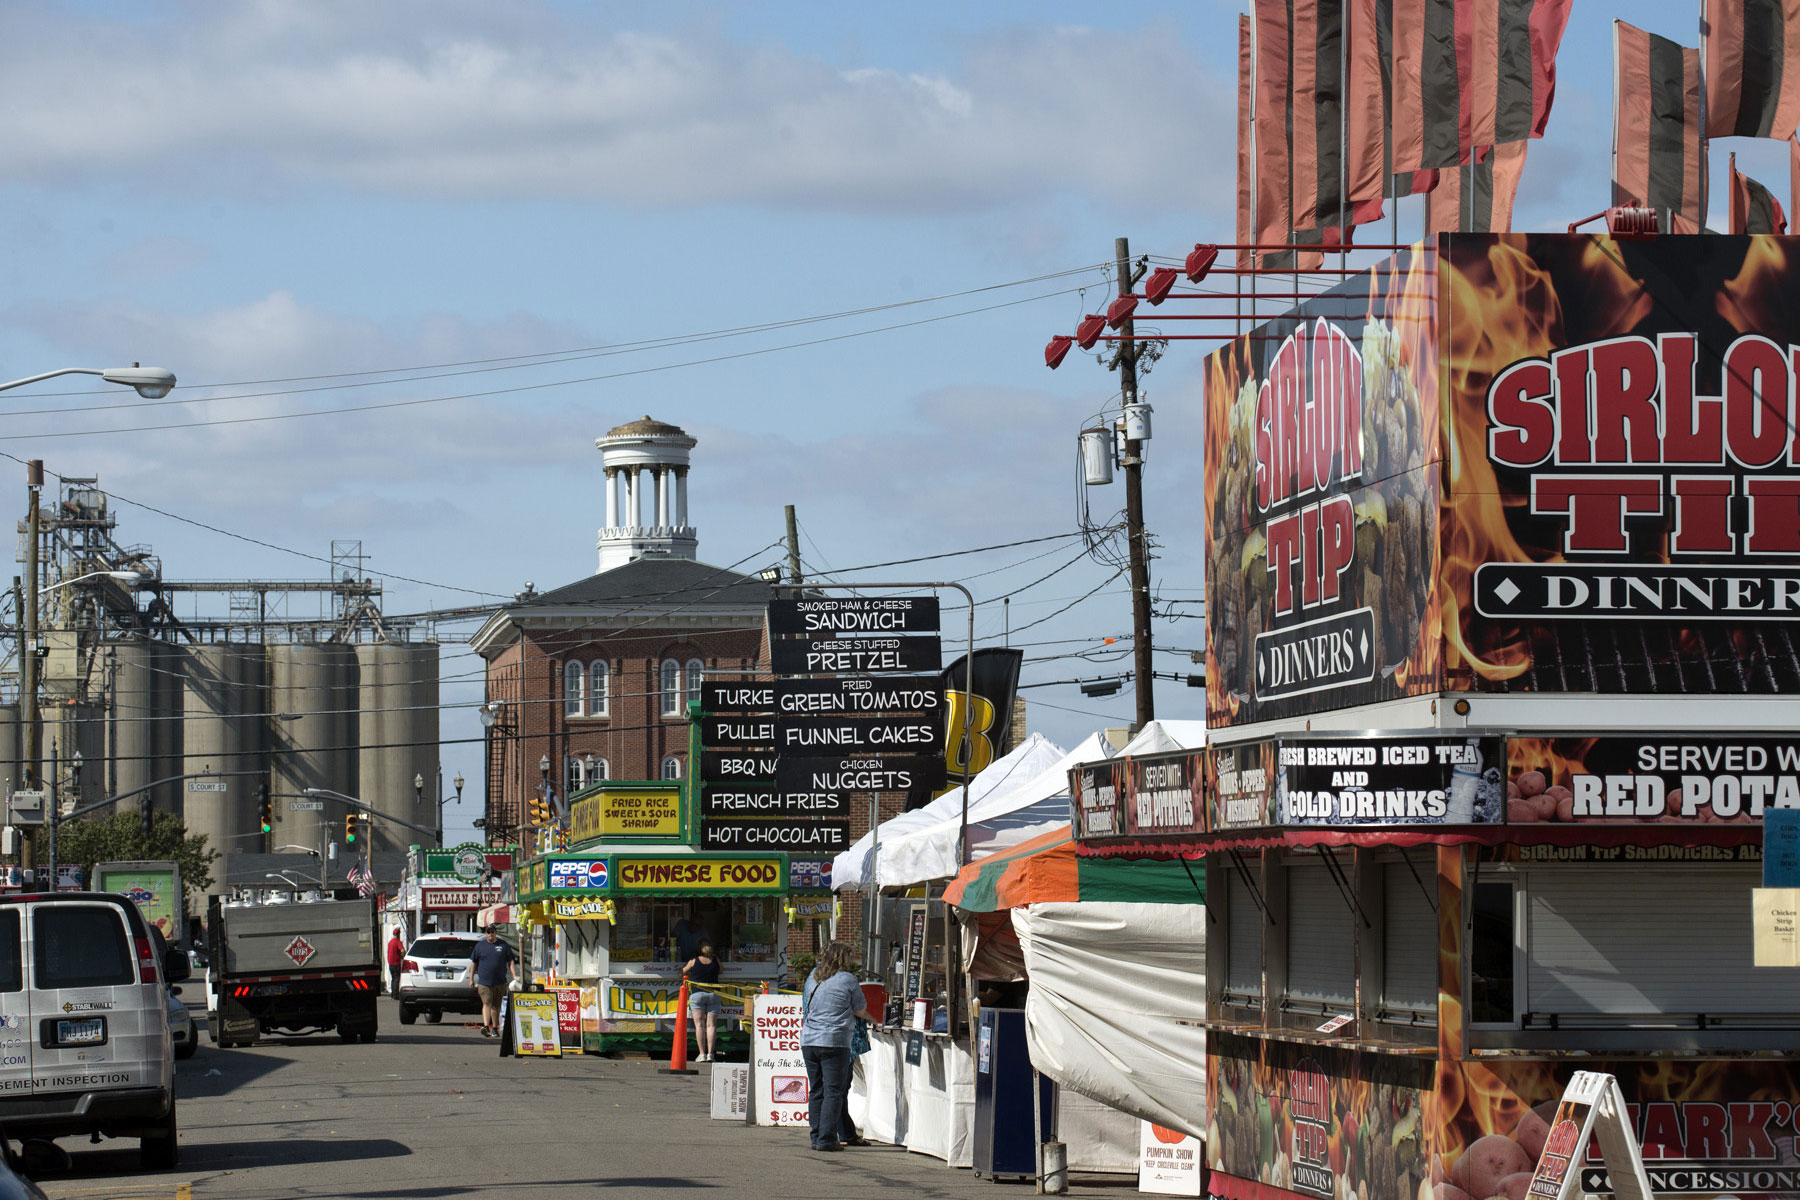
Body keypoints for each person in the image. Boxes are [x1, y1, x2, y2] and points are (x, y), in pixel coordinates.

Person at [800, 941, 873, 1152]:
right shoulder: (847, 979)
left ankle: (816, 1137)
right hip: (834, 1040)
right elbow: (859, 1009)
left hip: (809, 1040)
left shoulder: (813, 976)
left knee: (817, 1090)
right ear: (843, 958)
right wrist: (873, 1018)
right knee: (834, 1091)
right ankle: (826, 1139)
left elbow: (806, 1004)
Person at [468, 925, 517, 1038]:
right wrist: (471, 979)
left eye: (492, 932)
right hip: (484, 981)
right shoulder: (480, 946)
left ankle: (494, 1028)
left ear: (495, 932)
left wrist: (514, 975)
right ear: (485, 933)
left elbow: (510, 961)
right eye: (488, 932)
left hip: (500, 982)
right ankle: (486, 1026)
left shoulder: (503, 945)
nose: (490, 934)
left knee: (496, 1006)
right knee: (486, 1003)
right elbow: (473, 963)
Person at [683, 941, 723, 1062]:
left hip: (696, 994)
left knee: (699, 1025)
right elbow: (721, 970)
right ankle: (711, 1054)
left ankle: (701, 1054)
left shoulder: (694, 961)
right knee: (711, 1025)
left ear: (700, 949)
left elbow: (683, 971)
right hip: (713, 994)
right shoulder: (715, 959)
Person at [386, 928, 405, 998]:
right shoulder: (398, 942)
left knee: (393, 979)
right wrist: (404, 955)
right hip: (396, 963)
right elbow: (402, 950)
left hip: (390, 963)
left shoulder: (390, 942)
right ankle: (396, 994)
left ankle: (392, 994)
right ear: (398, 934)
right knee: (397, 979)